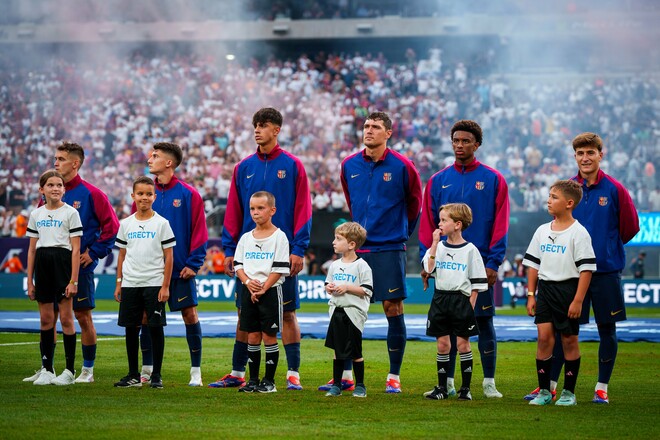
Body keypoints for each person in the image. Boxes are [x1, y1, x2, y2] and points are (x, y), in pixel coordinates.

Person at [524, 133, 640, 405]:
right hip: (569, 277)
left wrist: (606, 246)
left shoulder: (615, 189)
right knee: (565, 331)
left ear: (601, 154)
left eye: (590, 152)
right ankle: (550, 386)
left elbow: (631, 227)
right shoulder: (568, 188)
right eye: (580, 154)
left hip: (605, 272)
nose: (585, 158)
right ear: (574, 156)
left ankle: (601, 387)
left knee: (607, 329)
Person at [211, 108, 311, 391]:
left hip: (282, 251)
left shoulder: (293, 165)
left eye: (263, 125)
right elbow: (233, 210)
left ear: (276, 130)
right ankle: (237, 372)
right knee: (245, 313)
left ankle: (293, 373)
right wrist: (229, 249)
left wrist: (299, 247)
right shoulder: (243, 167)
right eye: (255, 125)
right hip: (249, 253)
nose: (257, 130)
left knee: (288, 313)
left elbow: (303, 208)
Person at [419, 120, 509, 398]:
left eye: (465, 141)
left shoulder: (494, 179)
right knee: (447, 329)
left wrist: (493, 262)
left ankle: (489, 382)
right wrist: (429, 260)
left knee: (483, 323)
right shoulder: (438, 180)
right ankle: (447, 384)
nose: (459, 145)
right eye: (455, 140)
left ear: (476, 144)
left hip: (478, 263)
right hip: (447, 268)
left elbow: (501, 223)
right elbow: (428, 223)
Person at [334, 111, 422, 394]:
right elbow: (352, 201)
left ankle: (393, 375)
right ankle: (346, 376)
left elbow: (414, 205)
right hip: (358, 248)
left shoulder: (403, 166)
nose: (369, 131)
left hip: (388, 247)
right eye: (366, 126)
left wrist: (399, 234)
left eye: (375, 127)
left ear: (388, 133)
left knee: (392, 308)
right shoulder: (349, 165)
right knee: (346, 309)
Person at [24, 142, 119, 384]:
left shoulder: (93, 194)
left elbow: (113, 229)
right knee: (49, 317)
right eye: (55, 158)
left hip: (79, 268)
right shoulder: (47, 195)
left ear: (75, 163)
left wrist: (94, 253)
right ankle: (48, 369)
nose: (55, 162)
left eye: (61, 159)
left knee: (81, 316)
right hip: (49, 267)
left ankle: (87, 370)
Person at [523, 180, 597, 406]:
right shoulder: (542, 230)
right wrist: (531, 294)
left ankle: (569, 393)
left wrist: (578, 300)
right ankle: (545, 391)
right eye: (549, 195)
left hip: (568, 291)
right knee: (544, 338)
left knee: (569, 340)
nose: (549, 200)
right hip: (545, 290)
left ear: (569, 203)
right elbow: (533, 265)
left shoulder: (579, 232)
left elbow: (586, 269)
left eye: (554, 197)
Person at [141, 142, 208, 386]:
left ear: (169, 163)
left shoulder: (189, 194)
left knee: (189, 315)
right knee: (146, 318)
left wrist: (194, 262)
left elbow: (199, 231)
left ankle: (196, 372)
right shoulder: (145, 193)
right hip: (150, 270)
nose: (150, 159)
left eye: (155, 156)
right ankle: (146, 371)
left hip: (180, 270)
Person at [113, 176, 175, 389]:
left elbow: (169, 257)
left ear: (154, 197)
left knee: (155, 327)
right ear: (133, 196)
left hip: (154, 283)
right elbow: (121, 255)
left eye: (149, 194)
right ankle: (133, 374)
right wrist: (119, 282)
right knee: (131, 328)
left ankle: (156, 375)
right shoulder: (126, 224)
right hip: (130, 283)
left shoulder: (162, 224)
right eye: (140, 194)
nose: (144, 198)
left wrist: (165, 286)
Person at [421, 203, 487, 401]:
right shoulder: (438, 247)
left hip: (461, 299)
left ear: (457, 224)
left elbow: (476, 283)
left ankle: (465, 389)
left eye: (444, 220)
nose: (439, 224)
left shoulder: (470, 250)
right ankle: (442, 388)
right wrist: (433, 243)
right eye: (439, 220)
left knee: (463, 344)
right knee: (442, 345)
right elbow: (429, 269)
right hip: (440, 298)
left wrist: (471, 305)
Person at [25, 170, 83, 385]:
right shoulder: (36, 214)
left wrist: (73, 280)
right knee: (46, 319)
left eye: (59, 185)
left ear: (64, 189)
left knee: (67, 318)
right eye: (50, 185)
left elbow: (75, 250)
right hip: (43, 264)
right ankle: (47, 369)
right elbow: (31, 250)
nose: (56, 188)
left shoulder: (71, 213)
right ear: (42, 189)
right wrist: (30, 281)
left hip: (63, 264)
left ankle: (69, 370)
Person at [233, 191, 290, 393]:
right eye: (252, 208)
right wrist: (248, 282)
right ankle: (253, 380)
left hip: (271, 292)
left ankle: (269, 381)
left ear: (272, 210)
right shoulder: (246, 238)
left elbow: (280, 268)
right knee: (252, 336)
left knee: (269, 336)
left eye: (260, 208)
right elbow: (238, 265)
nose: (255, 213)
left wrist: (264, 288)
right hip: (249, 292)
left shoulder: (279, 237)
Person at [323, 222, 372, 398]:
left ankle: (360, 385)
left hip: (353, 312)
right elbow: (328, 283)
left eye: (338, 239)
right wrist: (329, 288)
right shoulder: (334, 265)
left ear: (351, 244)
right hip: (336, 311)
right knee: (337, 351)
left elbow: (366, 290)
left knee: (355, 351)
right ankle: (336, 385)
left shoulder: (362, 266)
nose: (333, 242)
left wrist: (348, 288)